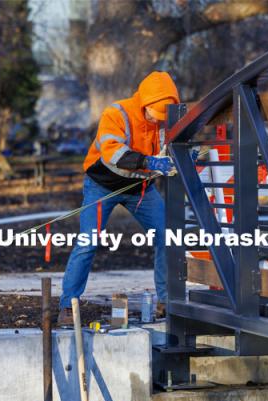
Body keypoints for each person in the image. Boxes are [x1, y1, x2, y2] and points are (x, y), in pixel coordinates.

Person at [58, 71, 179, 325]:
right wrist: (148, 161)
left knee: (168, 237)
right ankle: (68, 306)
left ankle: (167, 301)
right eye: (155, 116)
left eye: (162, 118)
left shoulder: (165, 121)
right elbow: (113, 152)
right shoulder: (117, 114)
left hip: (140, 188)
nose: (157, 122)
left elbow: (172, 149)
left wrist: (183, 157)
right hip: (102, 185)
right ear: (145, 103)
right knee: (88, 242)